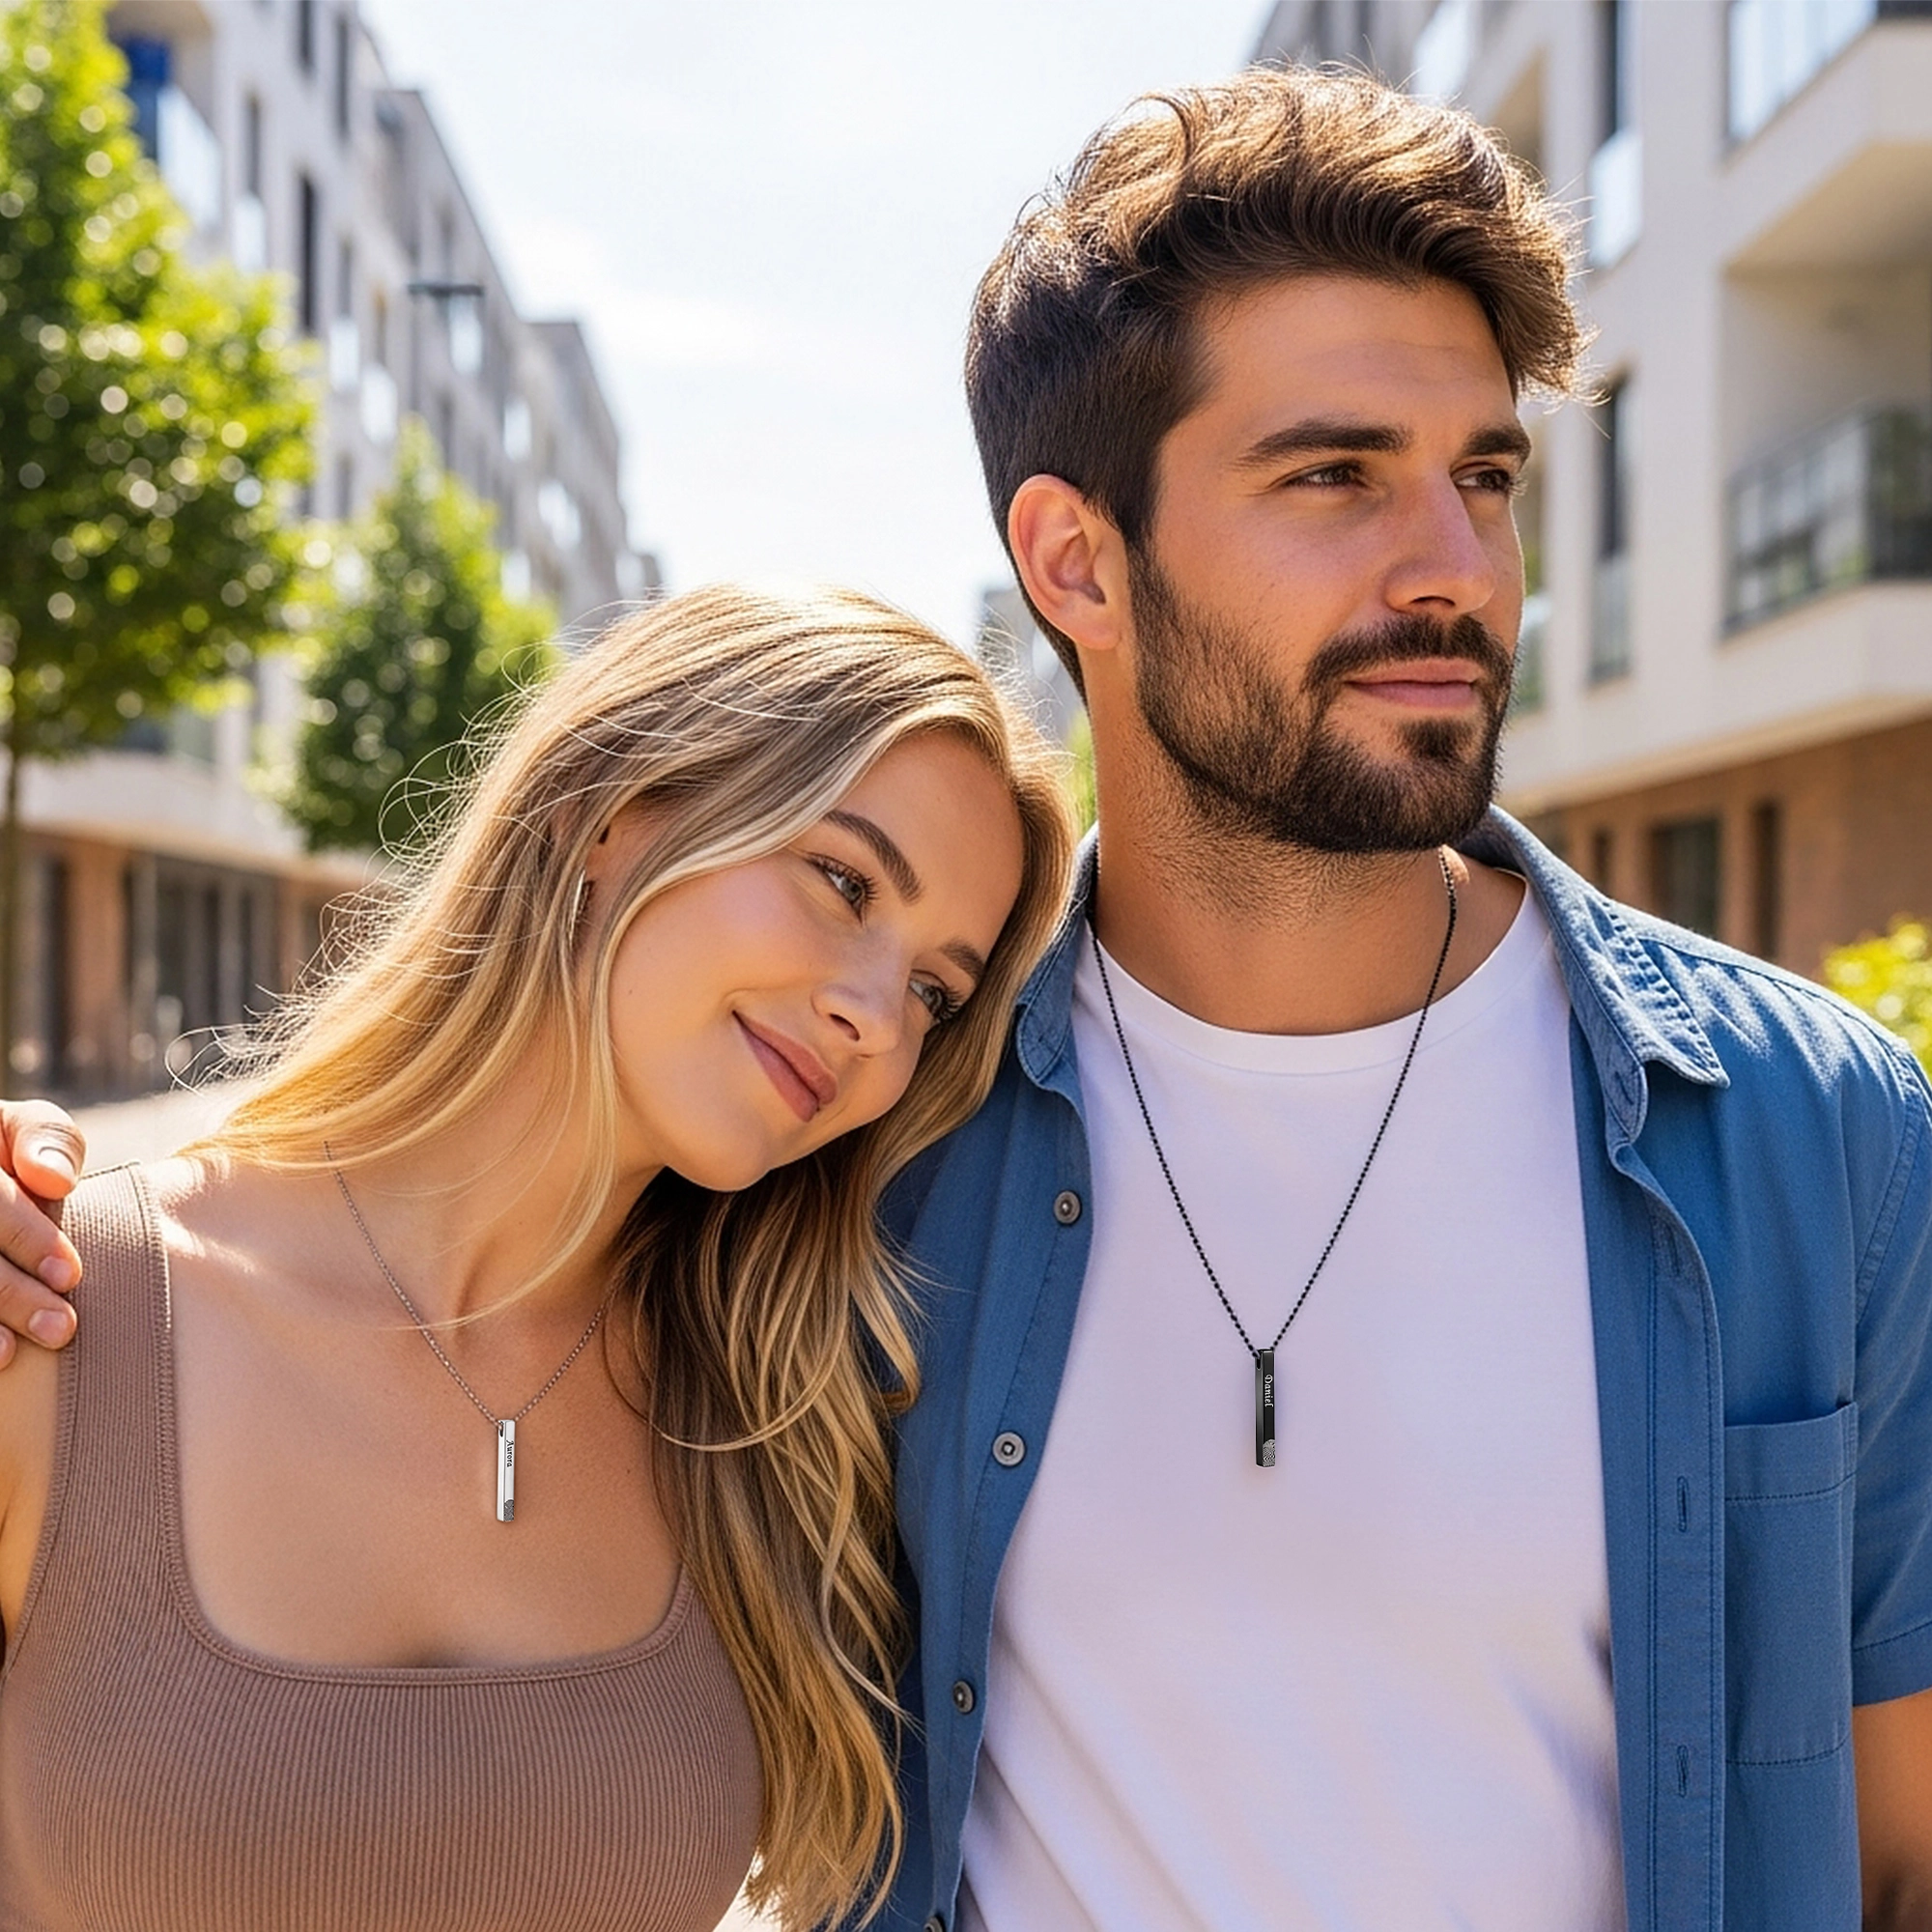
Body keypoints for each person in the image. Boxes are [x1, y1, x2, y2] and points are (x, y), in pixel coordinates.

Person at [6, 63, 1932, 1932]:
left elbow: (1901, 1852)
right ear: (1074, 560)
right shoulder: (888, 1174)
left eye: (1485, 477)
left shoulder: (1807, 1137)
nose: (1458, 568)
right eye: (1335, 474)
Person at [0, 582, 1075, 1932]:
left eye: (934, 991)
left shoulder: (783, 1432)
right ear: (608, 814)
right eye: (844, 882)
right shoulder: (58, 1313)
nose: (875, 1016)